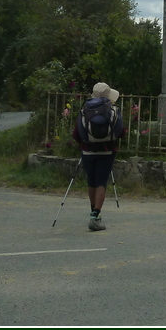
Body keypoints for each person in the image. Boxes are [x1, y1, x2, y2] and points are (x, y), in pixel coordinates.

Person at [71, 81, 125, 231]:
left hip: (88, 151)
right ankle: (95, 216)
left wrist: (84, 144)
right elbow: (121, 132)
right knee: (101, 181)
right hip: (107, 151)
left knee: (91, 181)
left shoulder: (84, 110)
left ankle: (93, 212)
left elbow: (76, 134)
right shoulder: (114, 110)